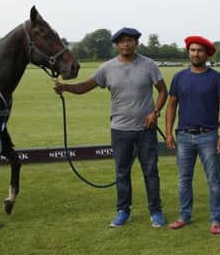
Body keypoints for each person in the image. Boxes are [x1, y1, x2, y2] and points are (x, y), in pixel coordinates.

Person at [54, 27, 168, 227]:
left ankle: (156, 211)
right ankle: (123, 211)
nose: (126, 44)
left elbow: (162, 91)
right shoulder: (107, 68)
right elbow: (85, 87)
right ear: (116, 44)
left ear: (136, 43)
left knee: (150, 172)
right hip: (120, 130)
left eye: (130, 40)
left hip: (145, 130)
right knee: (122, 173)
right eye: (122, 41)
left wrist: (155, 112)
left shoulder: (149, 65)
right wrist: (66, 87)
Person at [165, 36, 220, 234]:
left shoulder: (216, 78)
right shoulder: (179, 77)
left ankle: (216, 220)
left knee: (214, 180)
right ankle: (184, 216)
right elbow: (171, 105)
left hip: (208, 136)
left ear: (207, 53)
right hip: (184, 136)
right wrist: (168, 132)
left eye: (199, 50)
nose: (195, 54)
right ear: (188, 52)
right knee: (184, 180)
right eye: (192, 50)